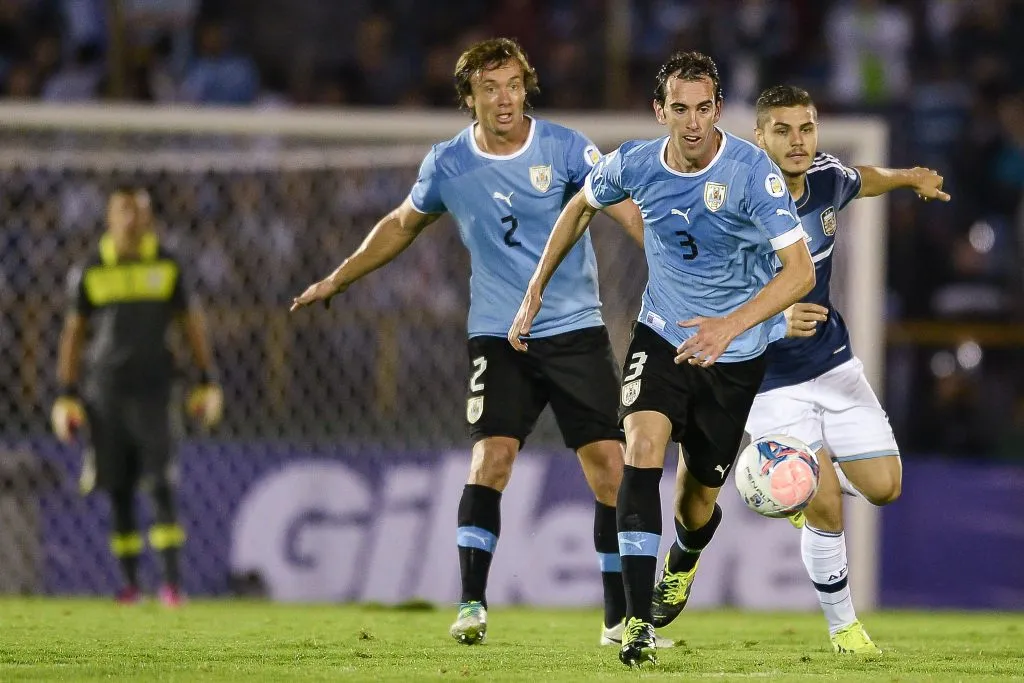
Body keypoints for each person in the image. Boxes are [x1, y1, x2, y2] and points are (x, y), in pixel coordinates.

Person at [290, 37, 659, 648]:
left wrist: (676, 268)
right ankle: (471, 604)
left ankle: (617, 618)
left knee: (610, 473)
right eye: (490, 88)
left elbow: (622, 207)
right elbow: (401, 224)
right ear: (470, 97)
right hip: (498, 334)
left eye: (514, 84)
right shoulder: (448, 164)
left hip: (575, 329)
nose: (505, 97)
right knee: (492, 460)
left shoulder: (566, 147)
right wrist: (339, 275)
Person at [508, 51, 815, 668]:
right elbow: (579, 206)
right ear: (660, 111)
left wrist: (729, 327)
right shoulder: (635, 163)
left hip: (735, 353)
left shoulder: (755, 174)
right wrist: (537, 284)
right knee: (641, 449)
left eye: (705, 108)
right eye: (680, 109)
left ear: (719, 110)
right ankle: (635, 620)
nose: (694, 122)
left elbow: (800, 272)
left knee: (696, 504)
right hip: (663, 334)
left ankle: (685, 555)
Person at [739, 84, 948, 653]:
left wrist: (910, 177)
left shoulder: (826, 178)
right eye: (782, 130)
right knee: (825, 500)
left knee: (885, 488)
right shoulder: (734, 202)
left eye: (805, 127)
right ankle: (844, 628)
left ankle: (802, 486)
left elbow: (863, 177)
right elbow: (703, 299)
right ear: (759, 138)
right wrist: (770, 325)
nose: (797, 140)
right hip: (770, 381)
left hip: (834, 366)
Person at [51, 187, 223, 606]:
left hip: (156, 391)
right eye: (125, 210)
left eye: (140, 211)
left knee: (161, 485)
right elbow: (73, 334)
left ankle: (171, 586)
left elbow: (191, 324)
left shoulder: (167, 266)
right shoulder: (90, 270)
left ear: (149, 218)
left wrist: (206, 379)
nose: (133, 219)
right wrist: (66, 394)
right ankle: (130, 585)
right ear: (110, 216)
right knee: (118, 489)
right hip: (103, 394)